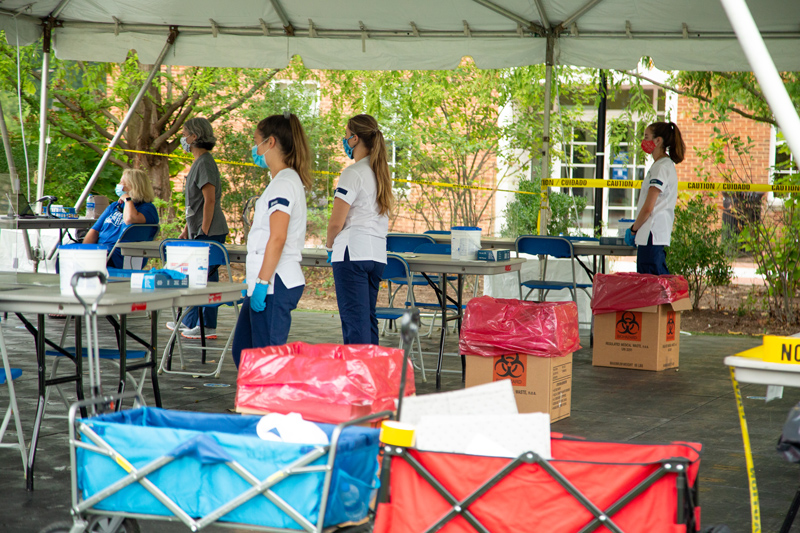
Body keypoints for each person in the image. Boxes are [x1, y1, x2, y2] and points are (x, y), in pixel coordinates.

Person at [231, 112, 311, 368]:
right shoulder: (280, 181)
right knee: (244, 353)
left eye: (257, 141)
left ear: (271, 142)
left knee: (266, 363)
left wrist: (263, 281)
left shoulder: (284, 182)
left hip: (275, 285)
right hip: (265, 283)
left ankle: (267, 408)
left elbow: (277, 237)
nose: (255, 148)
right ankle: (254, 407)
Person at [326, 114, 393, 345]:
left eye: (345, 136)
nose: (344, 141)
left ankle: (358, 378)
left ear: (355, 139)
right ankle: (372, 376)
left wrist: (328, 246)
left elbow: (336, 222)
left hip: (351, 254)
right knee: (367, 320)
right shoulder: (380, 172)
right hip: (376, 255)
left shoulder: (352, 173)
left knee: (355, 324)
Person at [168, 116, 230, 339]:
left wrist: (203, 232)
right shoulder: (198, 163)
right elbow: (194, 205)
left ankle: (207, 327)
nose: (183, 139)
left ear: (194, 137)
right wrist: (188, 230)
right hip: (200, 230)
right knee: (197, 278)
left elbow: (209, 200)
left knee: (206, 280)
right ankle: (191, 322)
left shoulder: (204, 162)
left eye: (185, 134)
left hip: (210, 231)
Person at [624, 121, 685, 275]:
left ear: (658, 141)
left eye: (646, 137)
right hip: (651, 235)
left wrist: (633, 229)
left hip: (652, 235)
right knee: (654, 289)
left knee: (653, 289)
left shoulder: (661, 167)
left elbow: (648, 207)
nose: (643, 141)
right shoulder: (660, 165)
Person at [83, 168, 158, 268]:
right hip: (101, 250)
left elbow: (129, 219)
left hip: (119, 254)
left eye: (123, 183)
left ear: (134, 186)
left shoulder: (147, 208)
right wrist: (83, 250)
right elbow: (94, 230)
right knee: (65, 255)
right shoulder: (115, 206)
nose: (119, 185)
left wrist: (127, 199)